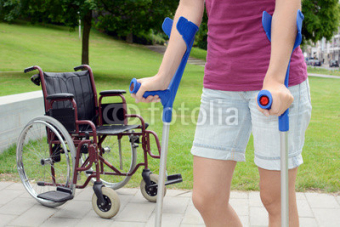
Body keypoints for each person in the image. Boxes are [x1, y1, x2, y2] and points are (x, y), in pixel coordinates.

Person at [131, 0, 312, 226]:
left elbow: (288, 5)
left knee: (276, 199)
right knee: (207, 198)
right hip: (220, 82)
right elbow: (189, 6)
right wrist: (163, 76)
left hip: (275, 83)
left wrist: (274, 78)